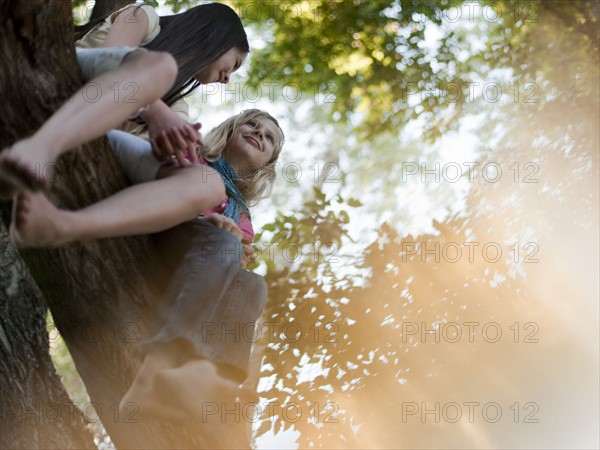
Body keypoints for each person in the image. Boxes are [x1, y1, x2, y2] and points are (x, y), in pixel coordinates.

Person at [12, 110, 285, 426]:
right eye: (253, 125)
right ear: (231, 129)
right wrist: (203, 220)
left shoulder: (244, 220)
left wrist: (234, 246)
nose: (259, 134)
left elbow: (233, 270)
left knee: (253, 284)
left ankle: (212, 378)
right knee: (222, 243)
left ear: (267, 165)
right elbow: (146, 174)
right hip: (156, 237)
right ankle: (160, 367)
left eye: (268, 138)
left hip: (193, 272)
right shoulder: (192, 154)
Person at [0, 2, 249, 198]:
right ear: (218, 37)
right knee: (157, 66)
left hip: (86, 133)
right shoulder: (145, 16)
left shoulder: (176, 104)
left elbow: (146, 150)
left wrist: (172, 148)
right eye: (234, 64)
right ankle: (39, 148)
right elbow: (111, 58)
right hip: (63, 80)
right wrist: (154, 112)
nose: (228, 79)